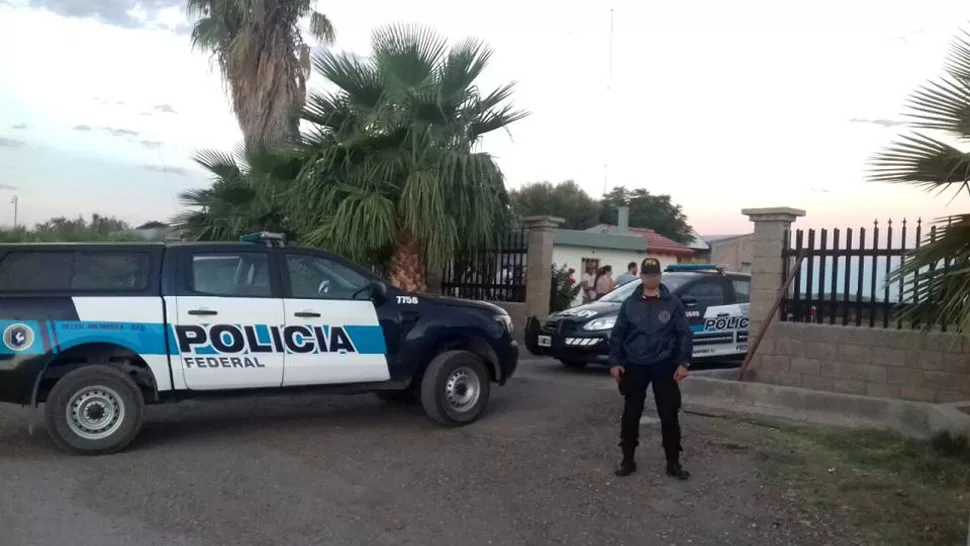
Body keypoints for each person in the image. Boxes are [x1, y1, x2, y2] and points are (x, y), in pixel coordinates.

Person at [608, 257, 692, 480]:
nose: (651, 278)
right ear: (642, 276)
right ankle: (627, 460)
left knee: (669, 414)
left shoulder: (672, 304)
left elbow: (684, 335)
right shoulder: (629, 304)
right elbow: (617, 335)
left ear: (659, 277)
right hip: (635, 365)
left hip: (664, 366)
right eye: (647, 275)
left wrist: (684, 363)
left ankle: (673, 463)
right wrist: (615, 362)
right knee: (631, 414)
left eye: (655, 275)